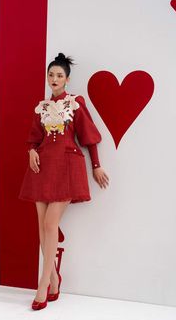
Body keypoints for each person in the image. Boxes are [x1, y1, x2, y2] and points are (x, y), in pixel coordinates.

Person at [18, 52, 109, 310]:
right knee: (41, 227)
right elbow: (33, 138)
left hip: (67, 167)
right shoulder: (42, 107)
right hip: (42, 168)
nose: (54, 78)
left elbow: (89, 136)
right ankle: (56, 280)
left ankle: (43, 283)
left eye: (59, 75)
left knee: (50, 224)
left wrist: (96, 166)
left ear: (67, 80)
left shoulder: (75, 103)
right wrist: (31, 151)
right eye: (51, 74)